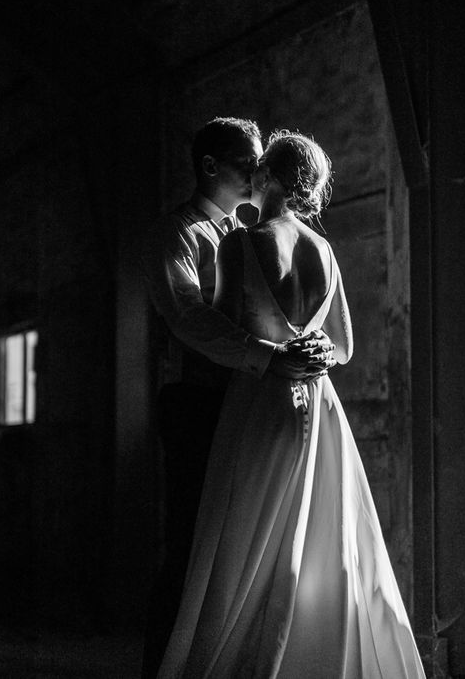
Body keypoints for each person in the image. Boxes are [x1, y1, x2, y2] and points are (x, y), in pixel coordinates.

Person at [156, 130, 425, 678]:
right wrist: (314, 345)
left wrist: (278, 348)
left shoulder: (242, 242)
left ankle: (241, 655)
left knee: (243, 542)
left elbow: (230, 330)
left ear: (266, 177)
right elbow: (344, 348)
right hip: (321, 404)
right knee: (318, 537)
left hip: (261, 401)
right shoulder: (324, 249)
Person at [139, 118, 335, 678]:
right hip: (196, 401)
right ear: (210, 167)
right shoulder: (177, 235)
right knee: (189, 548)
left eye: (261, 163)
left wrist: (302, 343)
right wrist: (270, 358)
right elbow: (188, 318)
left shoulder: (247, 237)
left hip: (247, 406)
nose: (257, 171)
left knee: (240, 549)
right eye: (246, 162)